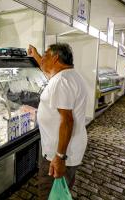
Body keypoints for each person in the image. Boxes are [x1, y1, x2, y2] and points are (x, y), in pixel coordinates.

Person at [28, 43, 88, 199]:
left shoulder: (61, 81)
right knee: (61, 192)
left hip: (59, 153)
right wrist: (35, 55)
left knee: (51, 194)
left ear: (55, 58)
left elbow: (67, 121)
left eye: (46, 55)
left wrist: (60, 157)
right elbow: (48, 71)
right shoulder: (67, 75)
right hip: (66, 149)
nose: (43, 59)